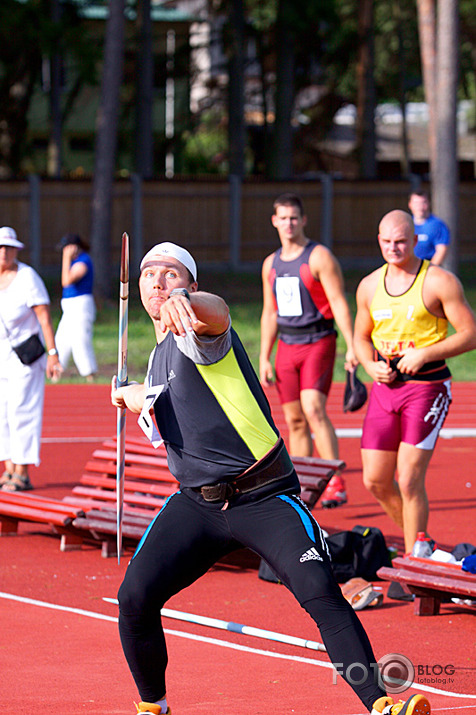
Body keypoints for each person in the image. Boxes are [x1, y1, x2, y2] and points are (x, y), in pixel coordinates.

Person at [111, 240, 431, 715]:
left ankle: (381, 704)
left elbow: (216, 314)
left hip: (263, 495)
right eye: (149, 274)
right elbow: (165, 408)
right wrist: (133, 396)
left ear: (191, 285)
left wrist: (191, 304)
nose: (158, 282)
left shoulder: (199, 333)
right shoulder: (157, 356)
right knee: (134, 597)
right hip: (198, 505)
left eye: (171, 275)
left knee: (320, 592)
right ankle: (152, 706)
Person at [354, 209, 476, 555]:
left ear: (415, 240)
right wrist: (368, 364)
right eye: (388, 242)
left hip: (426, 388)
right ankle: (419, 542)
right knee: (375, 481)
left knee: (408, 479)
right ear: (379, 241)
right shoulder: (369, 285)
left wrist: (426, 353)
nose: (394, 248)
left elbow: (470, 333)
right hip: (385, 389)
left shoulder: (438, 281)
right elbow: (361, 337)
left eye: (401, 241)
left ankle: (413, 559)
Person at [259, 193, 356, 508]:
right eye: (282, 218)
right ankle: (301, 484)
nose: (288, 224)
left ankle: (335, 481)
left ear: (303, 220)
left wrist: (353, 345)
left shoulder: (318, 257)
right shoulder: (270, 264)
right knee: (294, 419)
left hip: (318, 340)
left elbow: (339, 302)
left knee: (313, 408)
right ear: (274, 221)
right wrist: (264, 356)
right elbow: (269, 312)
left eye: (293, 218)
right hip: (287, 346)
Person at [0, 226, 62, 492]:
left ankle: (22, 473)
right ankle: (9, 469)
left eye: (9, 247)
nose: (4, 252)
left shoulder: (28, 278)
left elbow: (44, 318)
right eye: (1, 248)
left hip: (25, 358)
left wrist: (53, 354)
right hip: (1, 356)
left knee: (21, 411)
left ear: (16, 250)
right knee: (2, 414)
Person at [54, 233, 97, 382]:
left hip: (81, 304)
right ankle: (56, 373)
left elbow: (66, 281)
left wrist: (66, 258)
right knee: (62, 338)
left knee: (80, 340)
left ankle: (89, 374)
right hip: (70, 306)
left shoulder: (83, 261)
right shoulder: (74, 262)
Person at [408, 190, 450, 266]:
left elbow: (441, 251)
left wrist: (428, 270)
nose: (420, 207)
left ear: (428, 203)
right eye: (416, 203)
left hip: (429, 267)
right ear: (410, 204)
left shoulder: (438, 225)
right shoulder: (406, 224)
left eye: (423, 203)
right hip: (409, 267)